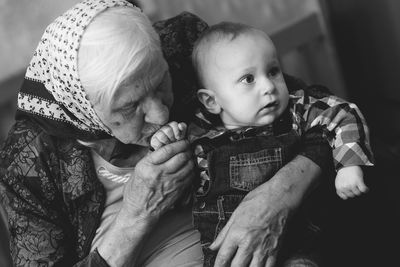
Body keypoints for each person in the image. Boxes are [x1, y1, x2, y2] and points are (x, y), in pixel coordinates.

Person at [0, 1, 341, 267]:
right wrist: (136, 214)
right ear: (86, 112)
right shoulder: (30, 159)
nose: (161, 112)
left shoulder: (184, 46)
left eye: (161, 82)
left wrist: (277, 198)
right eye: (131, 107)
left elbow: (317, 112)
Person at [151, 21, 374, 266]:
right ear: (212, 101)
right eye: (248, 79)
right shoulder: (198, 139)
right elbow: (180, 188)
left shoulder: (295, 110)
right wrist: (166, 142)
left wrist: (348, 166)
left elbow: (342, 112)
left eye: (273, 71)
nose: (268, 86)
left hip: (300, 247)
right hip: (230, 255)